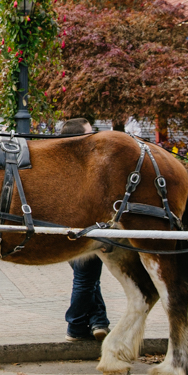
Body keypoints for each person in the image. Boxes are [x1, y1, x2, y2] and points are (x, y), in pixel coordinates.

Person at [60, 117, 111, 342]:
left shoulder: (62, 164)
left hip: (69, 231)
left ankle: (99, 321)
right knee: (86, 280)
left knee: (90, 280)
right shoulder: (81, 167)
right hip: (84, 231)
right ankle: (76, 324)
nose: (94, 136)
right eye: (90, 133)